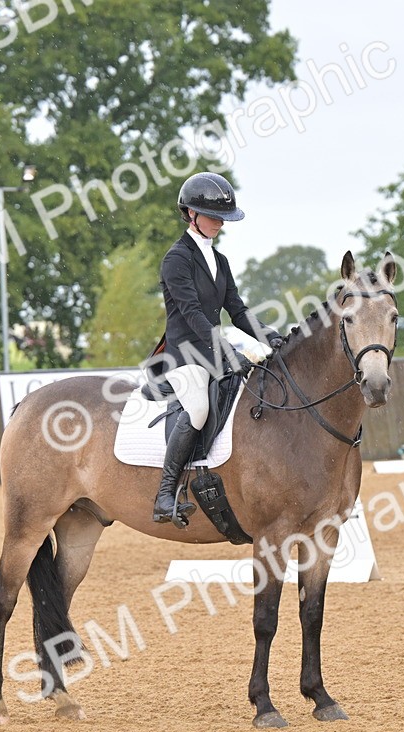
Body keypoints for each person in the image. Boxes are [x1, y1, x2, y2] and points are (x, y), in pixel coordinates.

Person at [150, 172, 285, 525]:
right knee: (196, 409)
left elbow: (236, 310)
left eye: (222, 218)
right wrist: (224, 349)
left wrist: (269, 337)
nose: (219, 223)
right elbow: (192, 312)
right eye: (212, 216)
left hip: (214, 351)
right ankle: (165, 494)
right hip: (184, 355)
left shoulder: (220, 261)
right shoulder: (176, 259)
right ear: (190, 214)